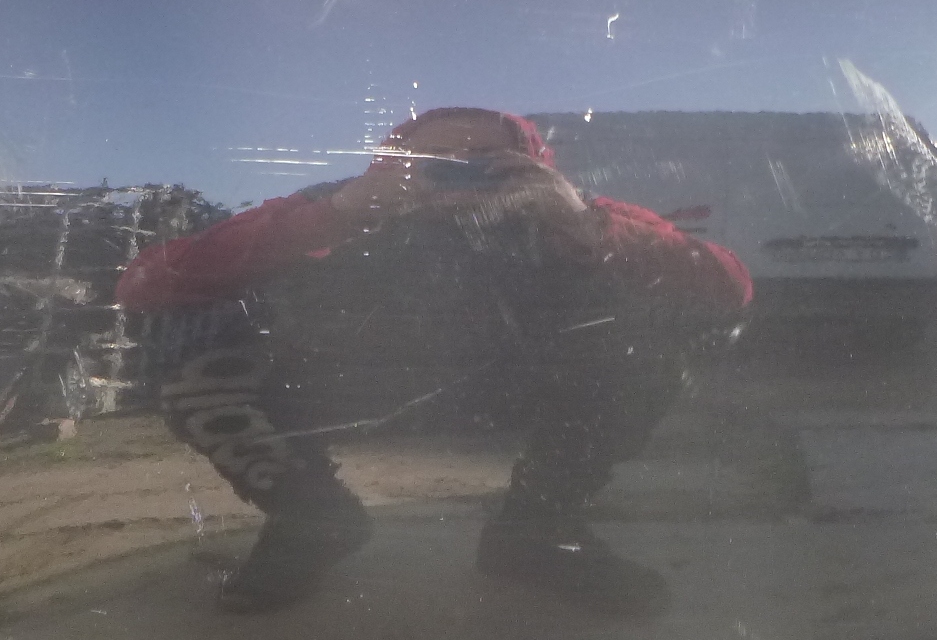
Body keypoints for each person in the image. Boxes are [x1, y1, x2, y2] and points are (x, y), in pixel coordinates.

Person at [115, 107, 751, 614]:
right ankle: (312, 519)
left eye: (485, 161)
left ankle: (536, 531)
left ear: (534, 168)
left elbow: (730, 288)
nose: (457, 173)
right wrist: (339, 215)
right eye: (432, 161)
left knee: (656, 338)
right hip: (341, 389)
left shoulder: (574, 212)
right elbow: (144, 285)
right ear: (386, 166)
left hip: (513, 386)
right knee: (191, 336)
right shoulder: (330, 206)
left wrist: (583, 227)